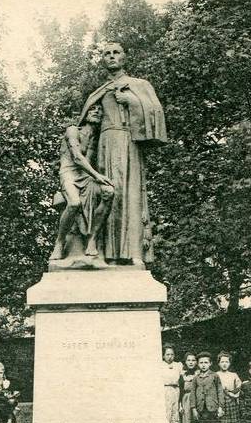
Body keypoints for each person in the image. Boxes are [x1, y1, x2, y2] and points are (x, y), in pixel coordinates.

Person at [78, 42, 167, 267]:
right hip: (105, 147)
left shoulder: (138, 84)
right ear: (103, 60)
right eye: (107, 54)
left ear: (124, 57)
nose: (111, 57)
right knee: (109, 194)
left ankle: (134, 253)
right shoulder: (99, 91)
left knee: (131, 194)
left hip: (128, 143)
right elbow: (87, 127)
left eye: (116, 53)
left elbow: (156, 112)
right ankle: (107, 253)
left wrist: (132, 101)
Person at [50, 103, 114, 261]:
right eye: (93, 109)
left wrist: (97, 178)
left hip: (85, 176)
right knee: (74, 203)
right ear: (85, 113)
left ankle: (92, 240)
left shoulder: (94, 138)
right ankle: (59, 242)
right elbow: (77, 157)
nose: (97, 112)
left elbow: (90, 161)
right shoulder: (72, 130)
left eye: (100, 110)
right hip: (69, 173)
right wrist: (98, 176)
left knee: (109, 192)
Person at [190, 351, 225, 423]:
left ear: (210, 364)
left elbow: (220, 391)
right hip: (201, 409)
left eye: (206, 362)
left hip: (212, 408)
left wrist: (220, 407)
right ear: (198, 364)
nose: (203, 365)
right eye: (201, 363)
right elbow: (192, 393)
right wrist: (194, 408)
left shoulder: (215, 376)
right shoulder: (196, 378)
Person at [216, 351, 242, 423]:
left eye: (226, 361)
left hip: (231, 402)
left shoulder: (233, 375)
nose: (224, 364)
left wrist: (232, 394)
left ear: (230, 363)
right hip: (220, 403)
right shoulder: (216, 375)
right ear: (218, 363)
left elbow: (239, 388)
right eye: (222, 362)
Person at [162, 345, 184, 423]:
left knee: (176, 414)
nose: (170, 357)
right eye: (167, 354)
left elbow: (184, 376)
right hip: (165, 390)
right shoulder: (160, 365)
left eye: (172, 354)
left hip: (176, 389)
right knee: (167, 414)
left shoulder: (178, 365)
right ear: (163, 356)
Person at [180, 352, 198, 423]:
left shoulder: (199, 373)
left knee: (196, 417)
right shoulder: (182, 374)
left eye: (193, 360)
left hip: (197, 398)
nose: (191, 362)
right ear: (185, 362)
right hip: (186, 398)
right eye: (189, 360)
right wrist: (180, 405)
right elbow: (181, 390)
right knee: (186, 418)